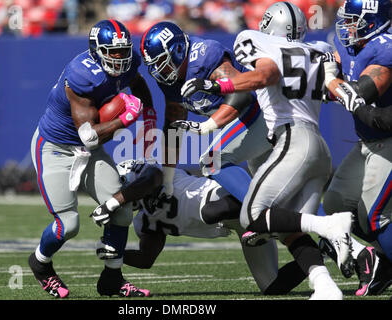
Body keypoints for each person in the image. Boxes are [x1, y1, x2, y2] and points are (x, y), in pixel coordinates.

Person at [181, 1, 354, 300]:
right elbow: (335, 85)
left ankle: (329, 225)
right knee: (291, 224)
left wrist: (217, 89)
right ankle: (327, 284)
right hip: (317, 145)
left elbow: (264, 78)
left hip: (288, 136)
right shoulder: (315, 50)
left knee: (253, 214)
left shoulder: (254, 40)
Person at [28, 19, 154, 298]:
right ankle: (40, 262)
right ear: (97, 50)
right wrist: (125, 118)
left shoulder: (129, 62)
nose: (120, 58)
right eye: (114, 52)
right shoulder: (82, 75)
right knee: (68, 225)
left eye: (124, 51)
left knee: (120, 208)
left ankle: (112, 278)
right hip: (56, 148)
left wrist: (148, 115)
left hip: (89, 150)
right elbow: (89, 136)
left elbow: (137, 83)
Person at [91, 158, 307, 295]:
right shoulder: (144, 220)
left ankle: (276, 206)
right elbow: (146, 259)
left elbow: (151, 179)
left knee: (209, 213)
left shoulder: (148, 171)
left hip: (220, 197)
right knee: (271, 287)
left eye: (123, 191)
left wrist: (113, 203)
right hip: (239, 225)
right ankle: (320, 253)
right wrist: (117, 254)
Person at [139, 20, 272, 207]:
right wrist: (167, 178)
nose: (158, 71)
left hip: (261, 111)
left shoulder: (203, 56)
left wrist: (207, 126)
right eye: (153, 65)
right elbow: (173, 126)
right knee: (274, 189)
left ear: (177, 51)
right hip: (249, 122)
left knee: (212, 161)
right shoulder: (170, 80)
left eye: (161, 61)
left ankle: (259, 212)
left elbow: (242, 95)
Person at [320, 0, 392, 296]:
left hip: (387, 138)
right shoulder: (353, 44)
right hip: (368, 140)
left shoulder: (385, 47)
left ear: (374, 20)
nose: (346, 26)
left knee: (374, 215)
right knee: (336, 205)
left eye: (353, 20)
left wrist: (330, 79)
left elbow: (359, 94)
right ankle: (383, 262)